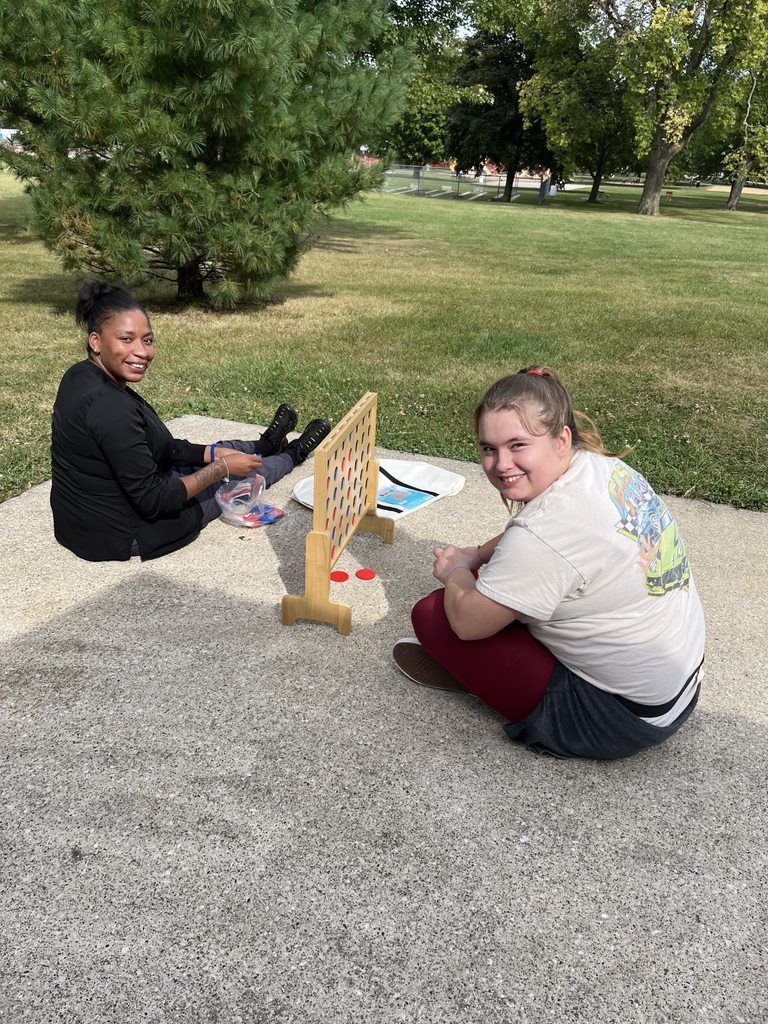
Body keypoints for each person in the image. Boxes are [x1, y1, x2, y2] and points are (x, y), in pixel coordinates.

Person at [392, 366, 705, 760]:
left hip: (617, 721)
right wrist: (475, 554)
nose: (501, 463)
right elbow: (532, 536)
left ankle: (486, 681)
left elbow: (471, 623)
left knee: (436, 615)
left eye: (517, 445)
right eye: (489, 448)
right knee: (491, 581)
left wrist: (455, 571)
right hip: (678, 689)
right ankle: (499, 665)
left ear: (561, 439)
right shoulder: (600, 468)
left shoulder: (544, 534)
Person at [51, 281, 331, 561]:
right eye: (127, 339)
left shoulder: (81, 375)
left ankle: (267, 442)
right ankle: (294, 452)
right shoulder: (109, 407)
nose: (143, 352)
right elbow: (154, 500)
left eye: (147, 340)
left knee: (219, 448)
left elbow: (163, 446)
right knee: (243, 475)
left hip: (87, 521)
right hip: (125, 530)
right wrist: (221, 468)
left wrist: (213, 454)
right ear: (96, 341)